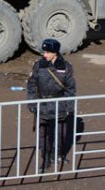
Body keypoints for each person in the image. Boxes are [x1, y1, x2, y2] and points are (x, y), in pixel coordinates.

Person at [27, 39, 76, 172]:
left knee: (60, 132)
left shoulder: (66, 67)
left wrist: (69, 107)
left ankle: (58, 155)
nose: (45, 55)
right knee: (43, 134)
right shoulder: (38, 66)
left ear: (55, 53)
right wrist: (31, 102)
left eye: (48, 52)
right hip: (42, 105)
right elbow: (31, 85)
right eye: (44, 51)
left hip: (59, 105)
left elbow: (70, 89)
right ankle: (46, 158)